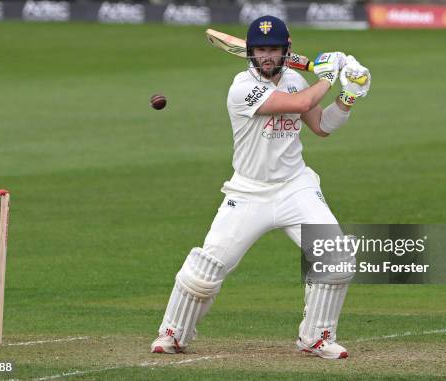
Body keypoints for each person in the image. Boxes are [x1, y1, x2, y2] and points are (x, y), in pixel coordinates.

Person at [151, 15, 371, 360]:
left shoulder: (298, 81)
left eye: (273, 50)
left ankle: (317, 337)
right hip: (248, 192)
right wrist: (329, 75)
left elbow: (322, 126)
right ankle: (172, 334)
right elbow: (298, 105)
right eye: (260, 50)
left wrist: (350, 95)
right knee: (204, 271)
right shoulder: (241, 88)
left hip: (295, 187)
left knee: (336, 256)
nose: (266, 57)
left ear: (286, 50)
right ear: (250, 53)